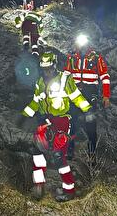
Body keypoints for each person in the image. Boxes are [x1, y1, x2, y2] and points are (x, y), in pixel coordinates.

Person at [21, 52, 94, 202]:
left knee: (58, 156)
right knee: (37, 151)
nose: (47, 71)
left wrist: (88, 110)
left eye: (49, 68)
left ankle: (69, 189)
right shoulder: (40, 82)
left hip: (61, 120)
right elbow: (35, 102)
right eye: (44, 69)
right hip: (44, 121)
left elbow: (77, 97)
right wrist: (24, 115)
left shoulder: (64, 79)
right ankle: (38, 185)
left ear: (55, 66)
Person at [64, 34, 111, 158]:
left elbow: (104, 76)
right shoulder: (72, 57)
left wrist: (106, 96)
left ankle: (92, 154)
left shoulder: (96, 57)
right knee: (70, 121)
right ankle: (69, 150)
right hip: (74, 93)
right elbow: (66, 74)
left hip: (90, 94)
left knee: (90, 123)